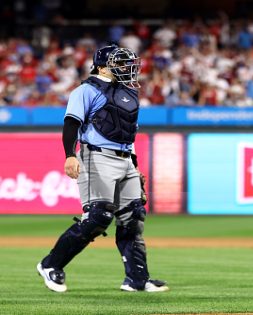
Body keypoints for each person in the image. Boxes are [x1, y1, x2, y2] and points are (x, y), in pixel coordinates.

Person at [36, 45, 169, 293]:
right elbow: (71, 123)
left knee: (133, 217)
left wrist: (134, 165)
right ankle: (51, 264)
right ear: (101, 66)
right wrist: (69, 155)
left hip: (125, 157)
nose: (128, 68)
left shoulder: (127, 92)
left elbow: (128, 134)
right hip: (97, 156)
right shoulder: (85, 90)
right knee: (99, 216)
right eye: (120, 63)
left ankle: (137, 279)